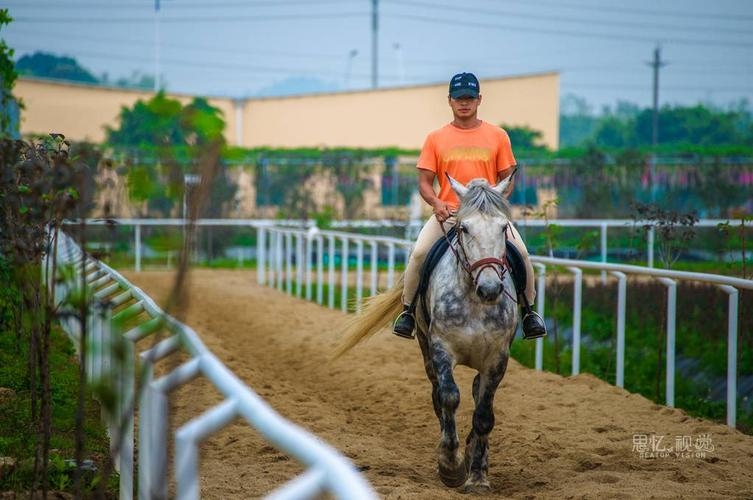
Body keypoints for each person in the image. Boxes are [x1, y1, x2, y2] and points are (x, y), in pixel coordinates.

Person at [393, 72, 547, 340]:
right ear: (449, 101)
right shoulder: (436, 138)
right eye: (459, 98)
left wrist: (494, 204)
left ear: (479, 100)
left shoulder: (498, 136)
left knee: (522, 254)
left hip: (487, 217)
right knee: (418, 254)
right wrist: (436, 202)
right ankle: (407, 312)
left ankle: (529, 313)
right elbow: (425, 182)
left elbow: (508, 177)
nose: (464, 103)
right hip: (450, 214)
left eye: (470, 98)